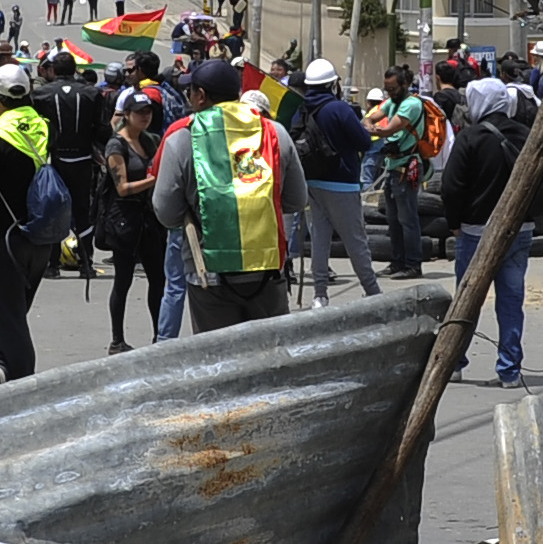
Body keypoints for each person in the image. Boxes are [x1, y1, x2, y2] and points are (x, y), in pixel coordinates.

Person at [152, 59, 305, 331]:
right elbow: (296, 200)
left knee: (218, 362)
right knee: (269, 358)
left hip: (209, 276)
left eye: (191, 91)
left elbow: (166, 212)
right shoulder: (275, 132)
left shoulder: (183, 137)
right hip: (268, 271)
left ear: (201, 96)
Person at [437, 78, 539, 385]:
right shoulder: (524, 134)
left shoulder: (469, 137)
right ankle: (509, 369)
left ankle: (454, 363)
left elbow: (451, 187)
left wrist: (453, 223)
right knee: (511, 301)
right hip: (519, 231)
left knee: (466, 300)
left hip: (475, 233)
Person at [0, 64, 50, 386]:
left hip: (4, 241)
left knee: (11, 319)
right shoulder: (43, 126)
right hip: (42, 238)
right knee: (11, 314)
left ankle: (23, 388)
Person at [291, 57, 378, 307]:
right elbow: (364, 142)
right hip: (342, 184)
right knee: (355, 240)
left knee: (319, 238)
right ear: (332, 85)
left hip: (313, 183)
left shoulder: (302, 109)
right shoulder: (339, 109)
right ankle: (372, 293)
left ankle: (320, 295)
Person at [102, 88, 167, 352]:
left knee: (158, 279)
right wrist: (153, 180)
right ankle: (117, 339)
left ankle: (158, 337)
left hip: (150, 219)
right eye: (139, 112)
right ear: (126, 115)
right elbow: (122, 188)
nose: (145, 116)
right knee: (123, 280)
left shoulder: (150, 141)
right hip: (124, 220)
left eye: (148, 112)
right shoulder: (116, 145)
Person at [33, 49, 105, 280]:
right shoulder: (92, 93)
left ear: (52, 70)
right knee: (82, 211)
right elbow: (101, 128)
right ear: (75, 70)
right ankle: (86, 263)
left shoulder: (41, 94)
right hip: (83, 159)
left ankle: (52, 264)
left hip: (54, 160)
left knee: (53, 209)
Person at [366, 65, 427, 279]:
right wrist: (372, 125)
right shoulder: (393, 102)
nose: (389, 93)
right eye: (387, 89)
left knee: (407, 219)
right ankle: (398, 261)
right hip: (393, 166)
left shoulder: (411, 104)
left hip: (407, 166)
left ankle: (413, 264)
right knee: (393, 219)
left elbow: (389, 128)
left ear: (405, 84)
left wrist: (373, 128)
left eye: (392, 89)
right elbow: (370, 118)